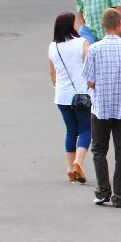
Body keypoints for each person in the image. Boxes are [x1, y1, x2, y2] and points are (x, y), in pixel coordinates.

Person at [82, 8, 121, 208]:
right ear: (119, 25)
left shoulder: (94, 49)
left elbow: (89, 81)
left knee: (99, 149)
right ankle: (120, 196)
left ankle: (103, 190)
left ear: (103, 25)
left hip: (100, 106)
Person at [48, 12, 91, 184]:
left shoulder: (53, 46)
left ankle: (70, 168)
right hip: (81, 94)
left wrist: (58, 87)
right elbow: (90, 65)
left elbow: (52, 73)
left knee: (71, 130)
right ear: (70, 25)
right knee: (86, 130)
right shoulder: (81, 43)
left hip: (62, 95)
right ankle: (78, 162)